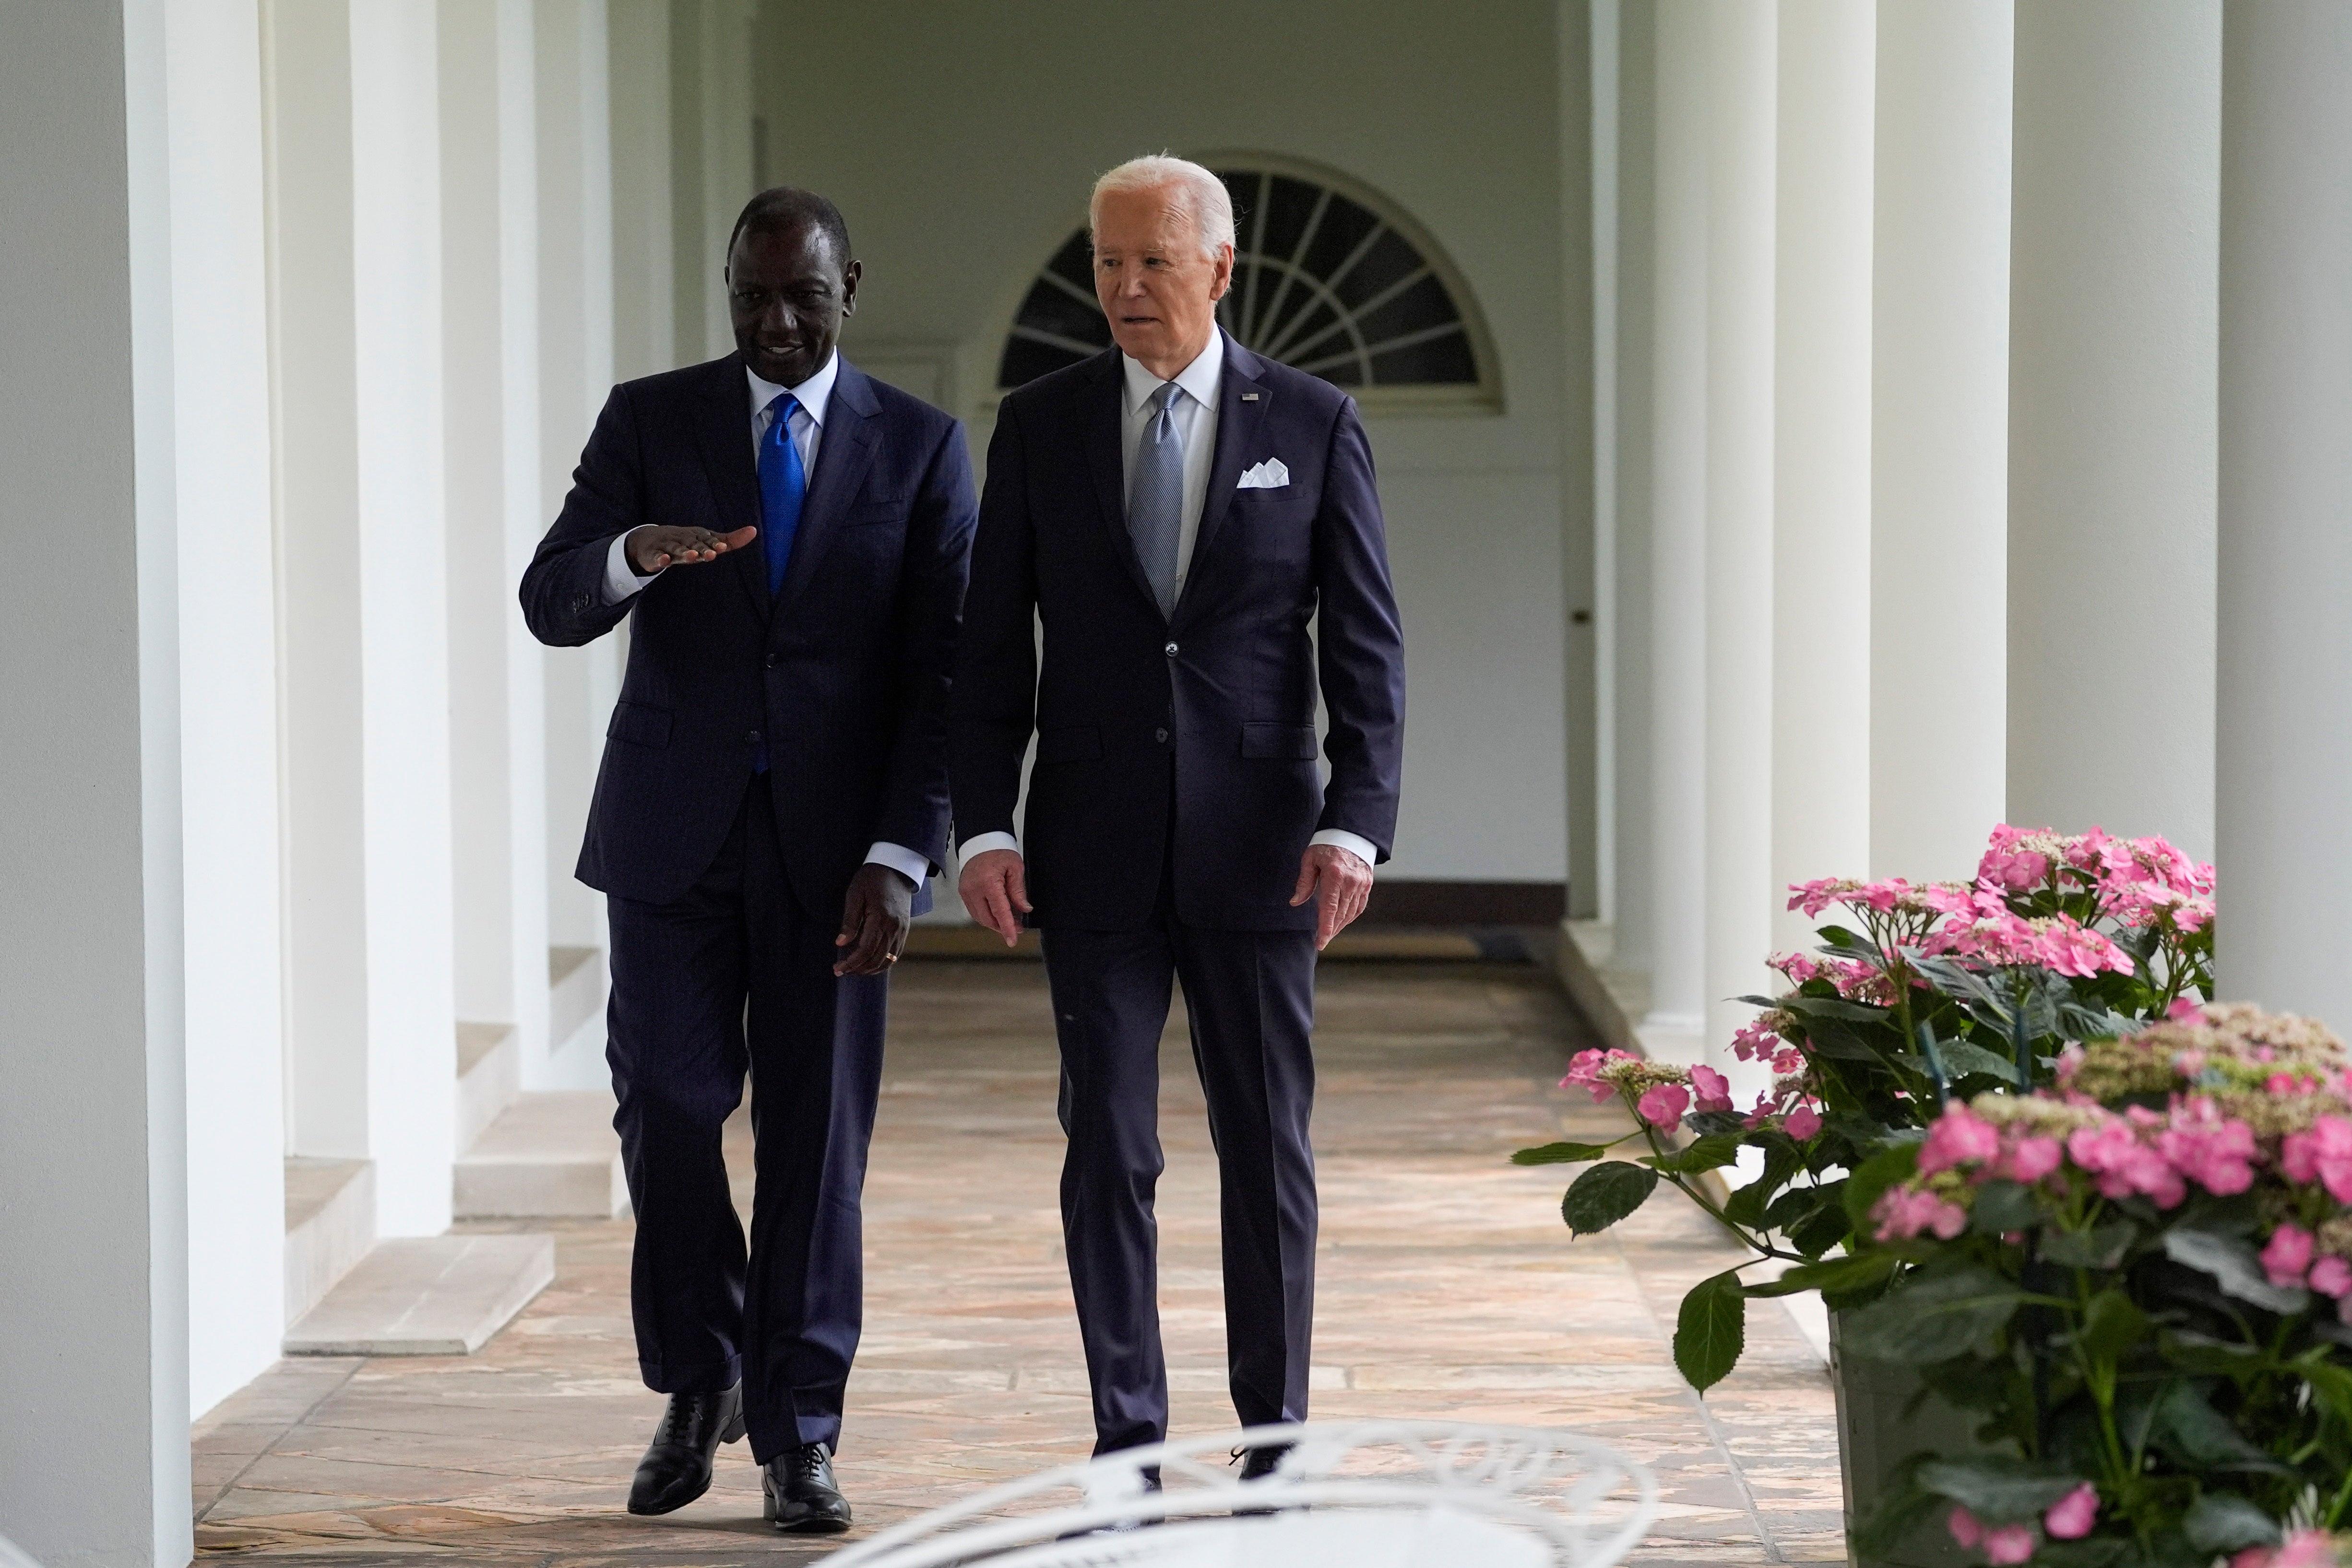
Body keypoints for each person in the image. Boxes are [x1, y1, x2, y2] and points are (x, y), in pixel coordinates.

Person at [519, 186, 975, 1533]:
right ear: (727, 290)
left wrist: (905, 852)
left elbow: (946, 675)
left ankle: (801, 1432)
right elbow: (552, 597)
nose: (775, 323)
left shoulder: (924, 447)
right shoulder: (649, 419)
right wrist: (631, 557)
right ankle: (700, 1372)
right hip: (672, 838)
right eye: (751, 297)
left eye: (803, 297)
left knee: (816, 1147)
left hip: (841, 860)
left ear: (852, 286)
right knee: (666, 1105)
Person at [949, 154, 1406, 1470]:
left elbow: (1365, 645)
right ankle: (1128, 1434)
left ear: (1219, 265)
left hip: (1262, 851)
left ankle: (1275, 1437)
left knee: (1266, 1153)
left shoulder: (1313, 422)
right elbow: (991, 649)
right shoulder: (1039, 421)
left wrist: (1354, 818)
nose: (1125, 288)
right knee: (1107, 1145)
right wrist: (985, 824)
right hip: (1086, 847)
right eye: (1106, 263)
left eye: (1153, 261)